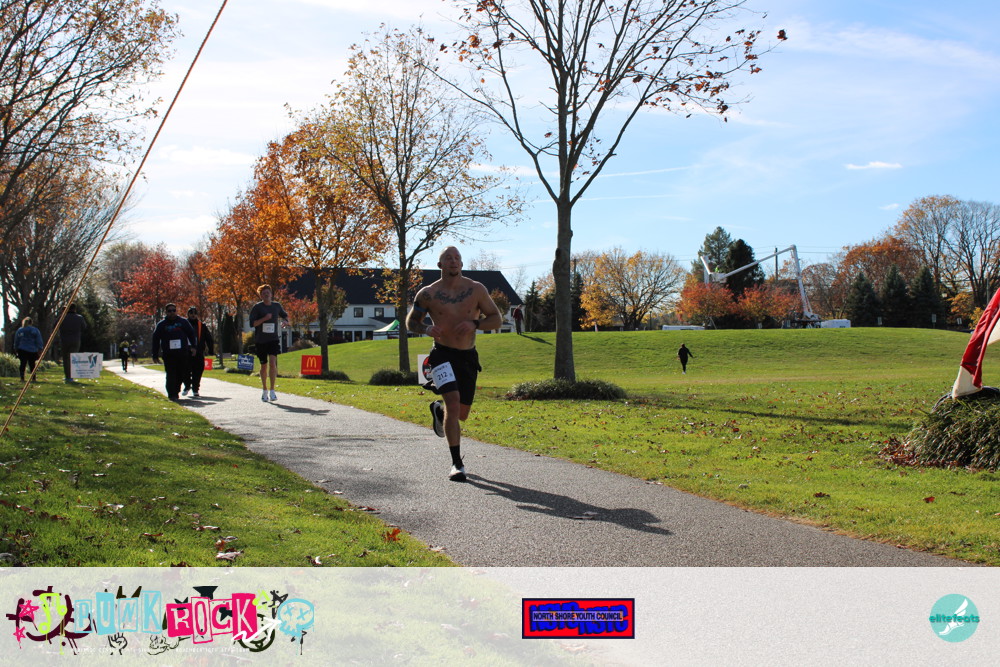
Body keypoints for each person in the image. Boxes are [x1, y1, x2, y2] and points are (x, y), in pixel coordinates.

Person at [405, 246, 503, 481]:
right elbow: (411, 322)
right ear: (440, 265)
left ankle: (440, 412)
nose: (453, 261)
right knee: (453, 401)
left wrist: (475, 324)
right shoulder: (428, 294)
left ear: (461, 263)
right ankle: (457, 464)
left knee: (461, 413)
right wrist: (426, 328)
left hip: (467, 356)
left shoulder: (476, 289)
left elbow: (496, 319)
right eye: (448, 258)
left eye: (457, 258)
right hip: (441, 354)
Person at [248, 284, 288, 402]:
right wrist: (264, 318)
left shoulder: (276, 306)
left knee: (272, 363)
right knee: (263, 365)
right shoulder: (257, 307)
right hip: (261, 340)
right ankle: (264, 390)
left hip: (273, 339)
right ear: (261, 295)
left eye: (268, 292)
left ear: (271, 294)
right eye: (264, 293)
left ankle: (272, 390)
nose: (266, 294)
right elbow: (253, 324)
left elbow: (285, 316)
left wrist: (285, 322)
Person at [151, 303, 197, 400]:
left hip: (182, 353)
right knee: (171, 374)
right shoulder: (161, 325)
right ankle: (172, 394)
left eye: (174, 310)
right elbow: (155, 340)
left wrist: (193, 347)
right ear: (166, 312)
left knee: (180, 373)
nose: (172, 312)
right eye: (169, 311)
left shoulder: (183, 322)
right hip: (169, 354)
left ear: (176, 311)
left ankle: (176, 391)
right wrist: (155, 354)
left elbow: (191, 334)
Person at [182, 306, 215, 398]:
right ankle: (187, 385)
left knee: (198, 370)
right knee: (185, 370)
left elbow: (208, 338)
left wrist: (211, 349)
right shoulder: (183, 324)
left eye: (195, 313)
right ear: (188, 314)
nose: (193, 315)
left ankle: (195, 389)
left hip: (199, 351)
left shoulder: (202, 325)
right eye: (191, 313)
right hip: (186, 352)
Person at [59, 303, 87, 383]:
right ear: (75, 309)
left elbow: (55, 326)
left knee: (66, 359)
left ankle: (67, 376)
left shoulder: (63, 317)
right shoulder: (79, 317)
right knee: (73, 358)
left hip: (64, 340)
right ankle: (72, 376)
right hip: (75, 340)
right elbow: (84, 327)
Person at [14, 317, 44, 382]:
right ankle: (33, 378)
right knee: (32, 364)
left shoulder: (20, 330)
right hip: (32, 350)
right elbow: (38, 340)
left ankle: (22, 378)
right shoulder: (35, 330)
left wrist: (16, 348)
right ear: (31, 323)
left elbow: (17, 340)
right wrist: (40, 348)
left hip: (22, 349)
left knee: (22, 364)